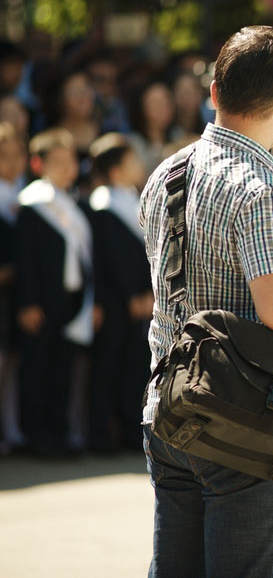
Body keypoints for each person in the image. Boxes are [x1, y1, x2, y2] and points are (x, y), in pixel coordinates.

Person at [139, 26, 273, 578]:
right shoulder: (260, 185)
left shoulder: (168, 172)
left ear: (215, 92)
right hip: (241, 417)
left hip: (169, 403)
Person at [15, 128, 96, 456]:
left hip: (71, 299)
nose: (67, 167)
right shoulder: (34, 204)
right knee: (37, 370)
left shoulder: (75, 204)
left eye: (71, 160)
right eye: (58, 161)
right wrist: (28, 302)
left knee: (63, 371)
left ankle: (61, 434)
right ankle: (37, 436)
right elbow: (27, 260)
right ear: (39, 164)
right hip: (42, 301)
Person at [87, 133, 152, 451]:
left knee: (133, 367)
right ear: (115, 170)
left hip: (139, 300)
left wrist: (148, 292)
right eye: (132, 160)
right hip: (115, 302)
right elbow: (111, 258)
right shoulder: (103, 204)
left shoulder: (131, 197)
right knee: (108, 367)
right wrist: (131, 295)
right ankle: (101, 434)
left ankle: (130, 430)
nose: (139, 165)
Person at [0, 123, 27, 455]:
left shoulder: (26, 196)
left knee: (11, 368)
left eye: (16, 156)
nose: (11, 163)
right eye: (3, 156)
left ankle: (12, 430)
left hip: (16, 299)